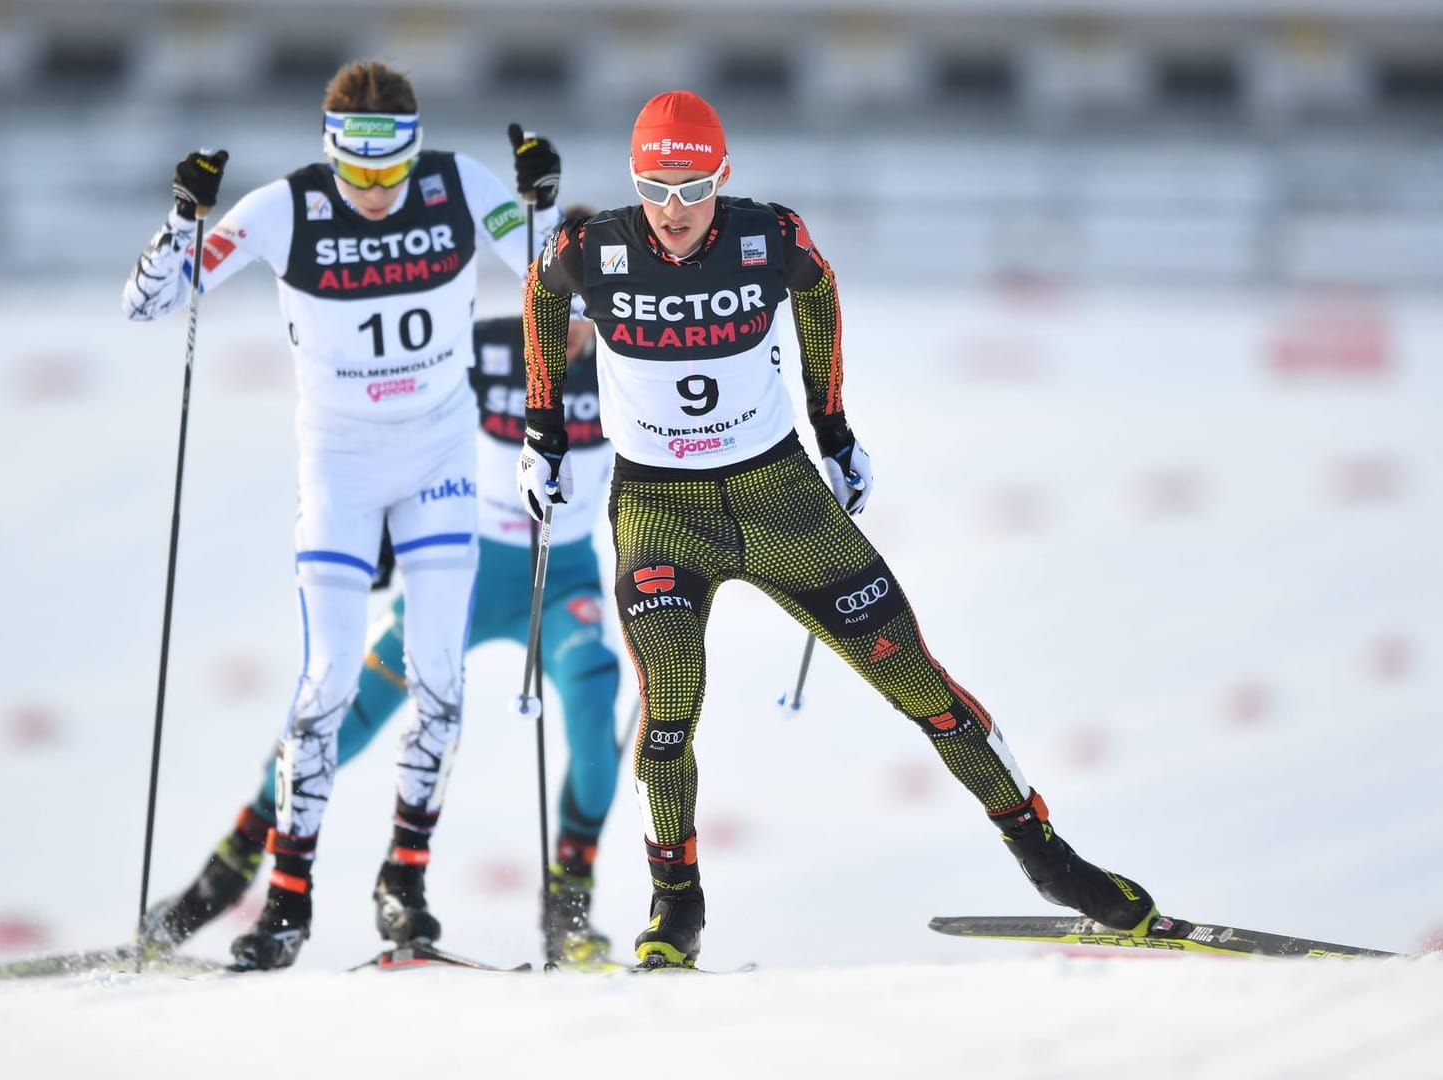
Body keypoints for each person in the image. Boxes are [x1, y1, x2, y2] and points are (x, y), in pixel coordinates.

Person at [515, 90, 1158, 968]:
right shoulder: (594, 248)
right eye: (654, 186)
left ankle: (1047, 858)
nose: (672, 210)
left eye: (693, 185)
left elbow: (818, 296)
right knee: (669, 708)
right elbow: (541, 301)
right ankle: (678, 903)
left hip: (782, 498)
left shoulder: (766, 236)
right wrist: (543, 432)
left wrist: (836, 431)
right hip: (661, 510)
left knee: (921, 683)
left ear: (723, 175)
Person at [121, 58, 564, 970]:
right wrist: (184, 219)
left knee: (438, 676)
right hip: (341, 462)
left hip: (441, 454)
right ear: (331, 154)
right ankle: (287, 899)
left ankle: (404, 883)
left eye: (388, 175)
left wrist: (543, 205)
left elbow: (554, 283)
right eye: (356, 174)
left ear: (413, 154)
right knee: (326, 678)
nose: (373, 193)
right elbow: (147, 303)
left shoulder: (455, 185)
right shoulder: (287, 207)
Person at [143, 294, 626, 966]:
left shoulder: (625, 359)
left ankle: (568, 909)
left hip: (562, 583)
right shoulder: (484, 346)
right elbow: (398, 425)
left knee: (596, 718)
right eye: (554, 312)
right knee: (347, 719)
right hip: (464, 572)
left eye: (584, 318)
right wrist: (384, 535)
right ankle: (221, 874)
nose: (569, 334)